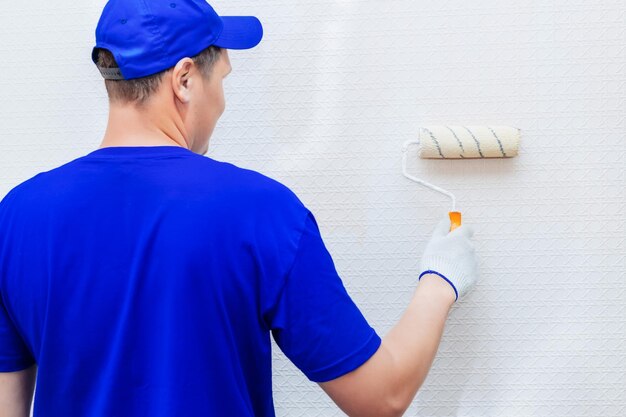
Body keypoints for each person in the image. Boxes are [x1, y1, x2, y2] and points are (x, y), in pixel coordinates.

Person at [0, 1, 479, 416]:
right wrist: (440, 282)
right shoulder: (261, 212)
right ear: (184, 79)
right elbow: (382, 397)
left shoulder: (15, 218)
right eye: (222, 79)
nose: (223, 102)